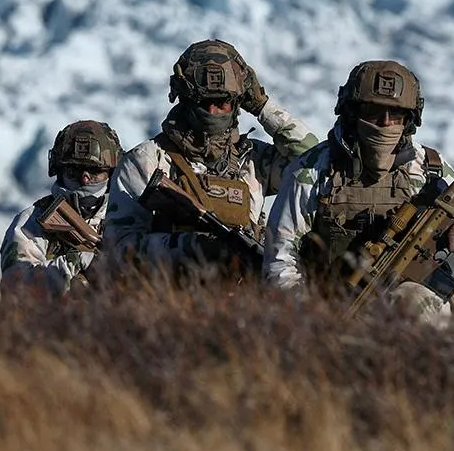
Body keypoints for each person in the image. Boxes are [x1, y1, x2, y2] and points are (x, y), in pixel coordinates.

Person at [264, 60, 454, 325]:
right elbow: (280, 262)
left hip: (412, 311)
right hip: (332, 310)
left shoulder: (429, 171)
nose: (385, 123)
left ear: (410, 120)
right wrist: (311, 318)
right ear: (351, 113)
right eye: (373, 112)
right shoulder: (312, 170)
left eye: (396, 114)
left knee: (419, 303)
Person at [101, 39, 318, 282]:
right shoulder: (147, 161)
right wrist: (189, 247)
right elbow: (118, 250)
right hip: (167, 304)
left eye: (223, 102)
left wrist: (262, 106)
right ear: (185, 99)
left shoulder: (254, 161)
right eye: (204, 102)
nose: (213, 112)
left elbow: (313, 162)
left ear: (238, 103)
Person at [0, 120, 123, 297]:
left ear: (111, 173)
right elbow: (16, 290)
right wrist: (76, 261)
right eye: (75, 170)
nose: (85, 179)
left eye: (94, 171)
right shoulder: (31, 222)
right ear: (59, 170)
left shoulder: (127, 215)